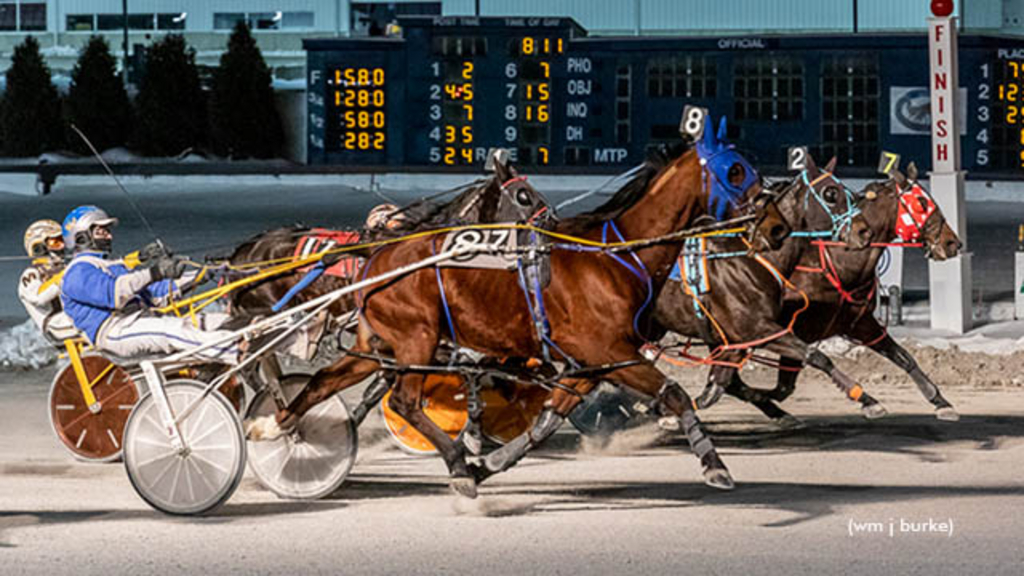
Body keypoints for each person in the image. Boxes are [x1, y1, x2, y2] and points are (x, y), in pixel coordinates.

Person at [59, 205, 241, 364]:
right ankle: (237, 351)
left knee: (213, 321)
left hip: (141, 319)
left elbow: (157, 293)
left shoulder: (112, 265)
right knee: (171, 330)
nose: (108, 235)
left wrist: (202, 273)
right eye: (101, 230)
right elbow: (114, 294)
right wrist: (155, 272)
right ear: (81, 237)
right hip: (113, 331)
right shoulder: (76, 272)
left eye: (108, 230)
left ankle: (248, 338)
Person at [18, 219, 77, 342]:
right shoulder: (32, 274)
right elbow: (39, 298)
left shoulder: (65, 269)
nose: (61, 246)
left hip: (72, 317)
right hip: (56, 324)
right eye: (55, 242)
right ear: (39, 247)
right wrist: (64, 276)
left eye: (62, 241)